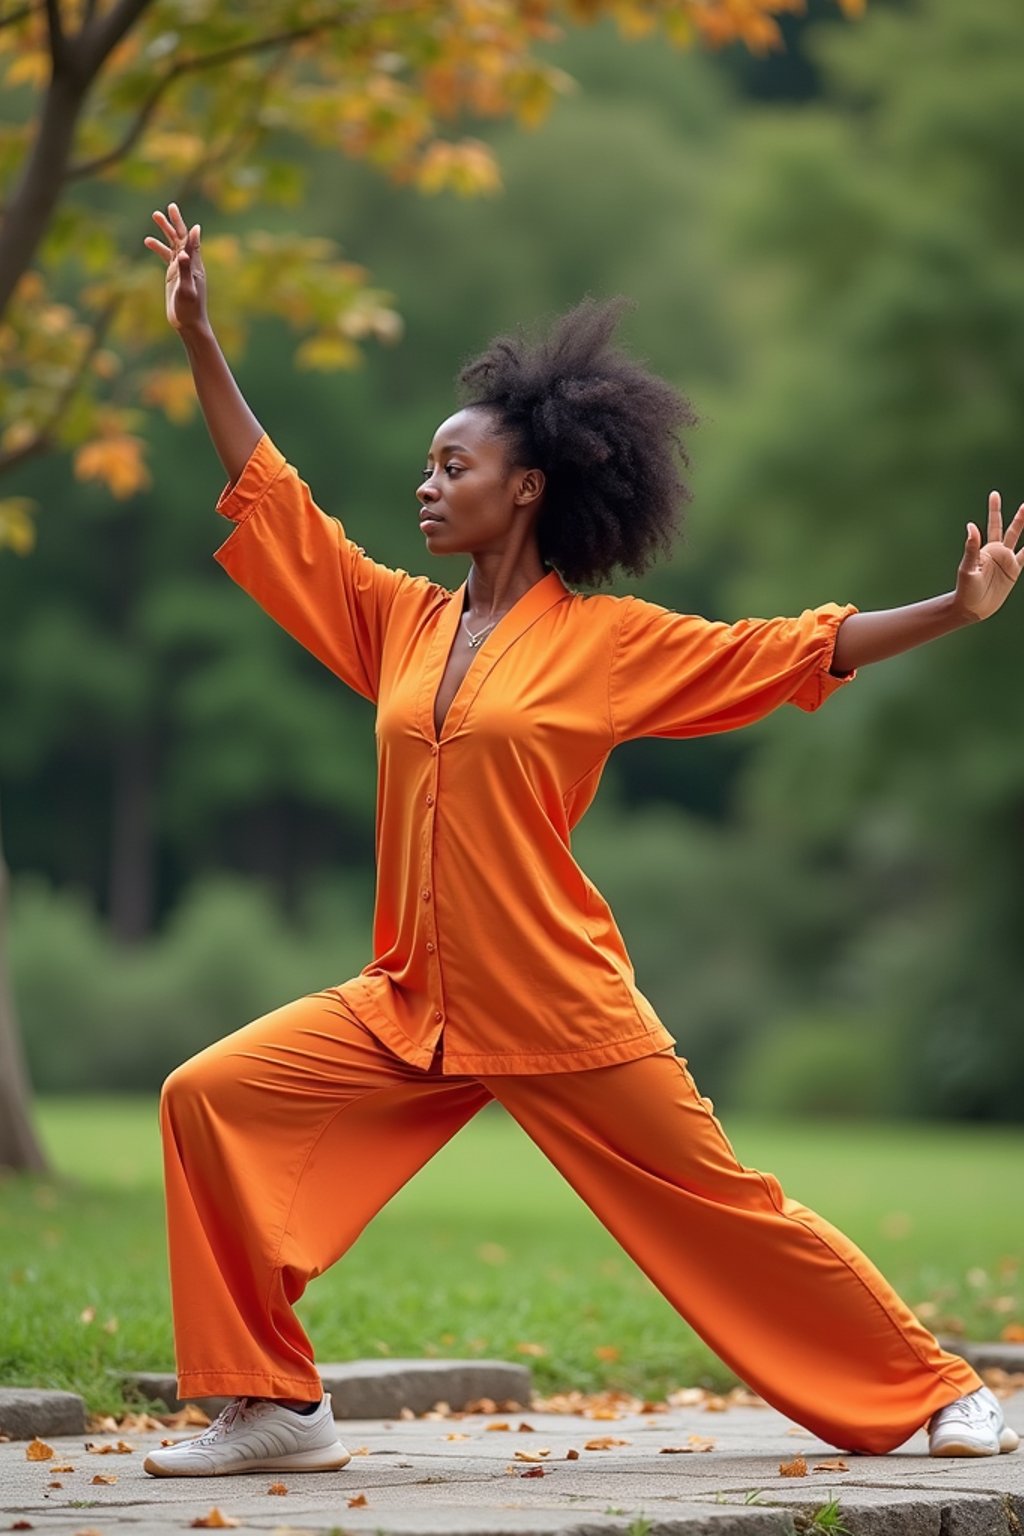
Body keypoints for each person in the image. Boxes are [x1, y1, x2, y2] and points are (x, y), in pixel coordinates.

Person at [140, 202, 1020, 1478]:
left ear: (530, 486)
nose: (427, 486)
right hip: (411, 1000)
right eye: (429, 469)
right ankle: (274, 1402)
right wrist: (203, 341)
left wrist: (954, 605)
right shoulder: (398, 623)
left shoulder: (607, 646)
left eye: (454, 468)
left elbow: (782, 652)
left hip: (557, 1004)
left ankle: (940, 1390)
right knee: (208, 1099)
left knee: (724, 1213)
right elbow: (277, 506)